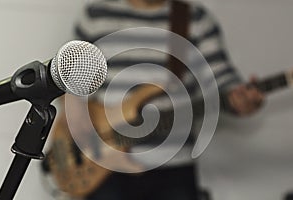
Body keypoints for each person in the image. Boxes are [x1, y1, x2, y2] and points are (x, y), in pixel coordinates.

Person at [46, 0, 264, 199]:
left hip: (174, 169)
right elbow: (71, 83)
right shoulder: (96, 15)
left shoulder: (195, 18)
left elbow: (221, 79)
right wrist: (86, 137)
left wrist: (241, 98)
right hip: (104, 169)